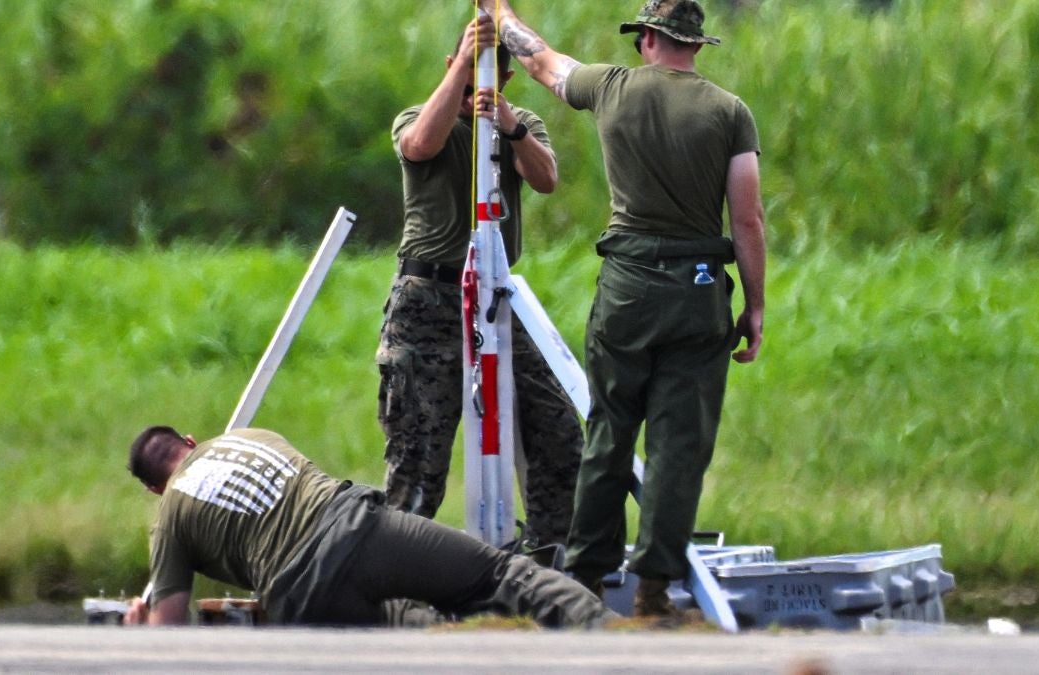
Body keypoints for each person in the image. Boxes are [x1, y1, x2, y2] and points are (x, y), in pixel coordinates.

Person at [474, 0, 767, 616]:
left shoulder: (610, 87)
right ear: (694, 45)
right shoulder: (730, 112)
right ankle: (654, 588)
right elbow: (747, 217)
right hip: (697, 290)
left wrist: (500, 16)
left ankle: (583, 578)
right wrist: (756, 305)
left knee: (608, 432)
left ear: (648, 40)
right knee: (678, 447)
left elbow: (542, 62)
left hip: (627, 289)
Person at [376, 14, 583, 548]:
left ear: (505, 82)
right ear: (451, 69)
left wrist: (509, 123)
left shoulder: (521, 124)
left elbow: (546, 179)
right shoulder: (420, 116)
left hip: (497, 296)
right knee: (419, 452)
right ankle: (400, 572)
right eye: (466, 80)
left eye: (484, 82)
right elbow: (421, 145)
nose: (475, 93)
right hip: (429, 299)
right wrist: (466, 67)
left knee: (558, 428)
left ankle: (544, 562)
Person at [122, 426, 613, 628]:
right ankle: (609, 635)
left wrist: (140, 632)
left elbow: (170, 630)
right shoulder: (250, 436)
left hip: (299, 595)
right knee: (500, 576)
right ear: (190, 438)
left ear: (153, 489)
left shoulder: (168, 518)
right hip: (358, 529)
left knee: (408, 632)